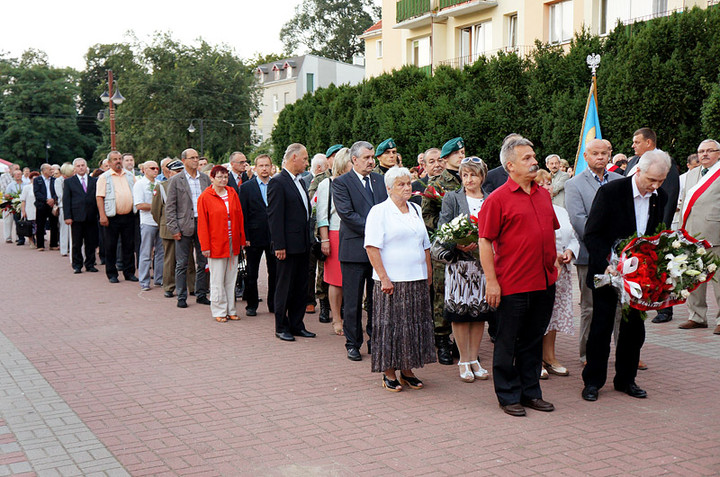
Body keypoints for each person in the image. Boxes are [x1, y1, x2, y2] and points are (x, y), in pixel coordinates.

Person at [478, 136, 558, 417]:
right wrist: (491, 282)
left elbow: (550, 231)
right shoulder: (497, 199)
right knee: (508, 341)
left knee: (533, 340)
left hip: (544, 281)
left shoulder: (543, 194)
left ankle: (530, 392)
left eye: (534, 156)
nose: (534, 161)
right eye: (527, 158)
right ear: (510, 165)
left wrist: (555, 261)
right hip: (512, 283)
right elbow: (485, 241)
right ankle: (508, 395)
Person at [581, 150, 669, 402]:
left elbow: (655, 235)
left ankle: (626, 380)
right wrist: (607, 262)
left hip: (639, 277)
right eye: (652, 180)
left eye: (660, 181)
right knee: (601, 327)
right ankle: (593, 382)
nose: (655, 185)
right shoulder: (611, 192)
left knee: (634, 330)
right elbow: (592, 234)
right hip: (608, 272)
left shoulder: (658, 197)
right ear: (638, 171)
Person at [365, 166, 435, 392]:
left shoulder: (415, 209)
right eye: (401, 184)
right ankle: (388, 373)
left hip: (416, 278)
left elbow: (425, 244)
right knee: (391, 326)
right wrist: (384, 277)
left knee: (413, 325)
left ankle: (407, 370)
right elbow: (372, 247)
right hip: (392, 281)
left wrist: (429, 273)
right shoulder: (379, 211)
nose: (407, 188)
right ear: (388, 188)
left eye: (408, 183)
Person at [564, 139, 623, 365]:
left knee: (620, 305)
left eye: (604, 153)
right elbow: (579, 221)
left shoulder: (621, 181)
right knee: (590, 307)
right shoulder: (574, 184)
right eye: (594, 153)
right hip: (589, 256)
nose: (600, 157)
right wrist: (603, 247)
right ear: (586, 157)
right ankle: (588, 354)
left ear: (610, 155)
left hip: (619, 257)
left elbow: (625, 215)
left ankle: (624, 352)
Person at [436, 157, 492, 382]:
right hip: (459, 264)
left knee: (479, 313)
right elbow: (443, 228)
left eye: (473, 175)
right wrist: (456, 243)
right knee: (460, 314)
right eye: (465, 175)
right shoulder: (452, 197)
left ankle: (474, 358)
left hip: (482, 266)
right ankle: (463, 360)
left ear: (482, 176)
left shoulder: (490, 199)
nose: (468, 179)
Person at [333, 141, 388, 360]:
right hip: (354, 250)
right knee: (353, 300)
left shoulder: (380, 181)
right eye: (366, 157)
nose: (371, 161)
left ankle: (374, 340)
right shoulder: (342, 183)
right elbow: (347, 214)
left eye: (372, 157)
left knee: (376, 300)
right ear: (354, 160)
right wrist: (377, 229)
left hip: (379, 251)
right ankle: (352, 342)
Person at [625, 128, 679, 324]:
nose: (633, 146)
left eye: (637, 142)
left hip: (654, 228)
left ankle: (664, 309)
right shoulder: (632, 162)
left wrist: (661, 230)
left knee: (660, 269)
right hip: (632, 228)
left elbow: (669, 197)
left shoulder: (665, 163)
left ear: (649, 143)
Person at [267, 143, 316, 341]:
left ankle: (297, 324)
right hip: (286, 246)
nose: (307, 162)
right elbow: (274, 216)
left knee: (300, 287)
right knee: (285, 287)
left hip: (303, 244)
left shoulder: (301, 181)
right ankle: (281, 326)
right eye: (304, 158)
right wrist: (279, 245)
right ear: (293, 158)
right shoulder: (278, 182)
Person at [422, 137, 464, 365]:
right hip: (443, 249)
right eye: (458, 154)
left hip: (467, 249)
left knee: (462, 293)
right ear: (448, 158)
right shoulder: (436, 184)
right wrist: (446, 231)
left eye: (463, 153)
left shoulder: (469, 179)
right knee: (441, 295)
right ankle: (442, 341)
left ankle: (460, 342)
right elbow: (426, 215)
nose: (462, 157)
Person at [534, 169, 579, 379]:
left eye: (549, 183)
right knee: (537, 316)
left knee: (554, 316)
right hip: (538, 271)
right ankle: (534, 359)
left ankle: (549, 357)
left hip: (561, 274)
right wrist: (553, 254)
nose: (547, 187)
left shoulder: (560, 211)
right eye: (541, 184)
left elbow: (573, 236)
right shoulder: (531, 208)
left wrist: (570, 251)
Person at [676, 140, 720, 334]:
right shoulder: (692, 174)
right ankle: (697, 316)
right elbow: (685, 201)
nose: (704, 154)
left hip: (715, 232)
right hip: (691, 232)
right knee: (693, 277)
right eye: (701, 151)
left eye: (710, 151)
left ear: (718, 153)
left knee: (718, 280)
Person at [197, 165, 246, 322]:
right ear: (212, 178)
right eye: (219, 177)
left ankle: (231, 309)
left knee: (231, 278)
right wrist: (205, 247)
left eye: (225, 177)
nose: (223, 180)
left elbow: (239, 216)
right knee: (217, 279)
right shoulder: (205, 197)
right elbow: (203, 224)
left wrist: (242, 239)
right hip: (216, 243)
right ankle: (219, 310)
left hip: (233, 241)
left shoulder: (232, 193)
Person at [166, 148, 212, 308]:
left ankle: (201, 293)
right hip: (184, 225)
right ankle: (181, 296)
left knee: (203, 261)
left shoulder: (205, 179)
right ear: (183, 160)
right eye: (192, 158)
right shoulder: (176, 180)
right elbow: (170, 207)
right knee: (182, 263)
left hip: (203, 225)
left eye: (197, 157)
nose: (195, 160)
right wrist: (174, 229)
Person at [316, 147, 353, 335]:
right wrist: (325, 240)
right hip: (335, 234)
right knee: (335, 280)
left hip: (355, 234)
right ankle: (337, 318)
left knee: (353, 279)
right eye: (351, 162)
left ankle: (350, 317)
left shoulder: (356, 182)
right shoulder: (326, 184)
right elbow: (322, 216)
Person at [151, 160, 196, 298]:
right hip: (169, 228)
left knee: (188, 259)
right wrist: (165, 225)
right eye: (176, 171)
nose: (179, 174)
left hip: (185, 227)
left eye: (181, 171)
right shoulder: (162, 186)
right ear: (168, 172)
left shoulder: (188, 184)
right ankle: (169, 287)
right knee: (170, 259)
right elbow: (155, 210)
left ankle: (192, 286)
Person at [239, 154, 276, 317]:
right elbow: (243, 214)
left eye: (267, 165)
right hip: (253, 236)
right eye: (261, 166)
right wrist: (245, 236)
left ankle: (274, 304)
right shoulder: (247, 187)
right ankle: (252, 304)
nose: (264, 169)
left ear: (271, 167)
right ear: (255, 168)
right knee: (252, 272)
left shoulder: (277, 184)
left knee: (274, 272)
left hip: (274, 236)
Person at [96, 151, 138, 283]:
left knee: (129, 246)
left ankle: (129, 272)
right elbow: (99, 197)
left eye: (119, 159)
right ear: (109, 162)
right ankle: (112, 273)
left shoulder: (130, 176)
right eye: (115, 159)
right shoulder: (104, 177)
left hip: (129, 216)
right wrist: (102, 215)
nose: (118, 161)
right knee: (111, 246)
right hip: (112, 217)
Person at [63, 158, 99, 273]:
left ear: (86, 166)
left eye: (83, 165)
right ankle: (77, 265)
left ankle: (90, 264)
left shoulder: (94, 181)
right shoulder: (69, 182)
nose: (81, 167)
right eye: (78, 166)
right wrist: (67, 216)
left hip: (91, 216)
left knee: (90, 242)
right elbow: (66, 200)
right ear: (75, 168)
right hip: (76, 216)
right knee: (76, 243)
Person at [133, 160, 164, 291]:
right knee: (146, 252)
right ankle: (144, 281)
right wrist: (157, 207)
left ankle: (159, 278)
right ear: (144, 170)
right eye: (152, 168)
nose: (155, 170)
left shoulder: (160, 184)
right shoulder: (139, 184)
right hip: (147, 222)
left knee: (161, 252)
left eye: (157, 168)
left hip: (160, 222)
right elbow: (139, 205)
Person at [33, 163, 59, 252]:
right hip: (41, 205)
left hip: (52, 205)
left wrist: (53, 199)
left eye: (52, 169)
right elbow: (37, 192)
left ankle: (54, 244)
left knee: (54, 225)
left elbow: (58, 192)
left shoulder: (55, 180)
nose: (52, 171)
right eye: (50, 169)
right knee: (40, 225)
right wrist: (46, 200)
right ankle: (40, 245)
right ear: (44, 171)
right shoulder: (37, 180)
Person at [671, 153, 700, 230]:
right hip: (679, 217)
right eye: (695, 167)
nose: (697, 169)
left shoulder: (703, 178)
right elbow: (674, 198)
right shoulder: (681, 179)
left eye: (699, 167)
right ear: (688, 165)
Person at [55, 163, 74, 256]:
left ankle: (71, 247)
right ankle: (63, 249)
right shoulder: (59, 181)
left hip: (73, 206)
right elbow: (60, 194)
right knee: (64, 228)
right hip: (63, 206)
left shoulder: (72, 180)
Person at [4, 169, 26, 246]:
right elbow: (6, 195)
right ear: (13, 176)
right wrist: (11, 197)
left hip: (25, 205)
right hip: (16, 206)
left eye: (19, 174)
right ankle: (21, 238)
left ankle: (30, 236)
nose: (18, 176)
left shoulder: (25, 184)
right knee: (18, 222)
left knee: (28, 221)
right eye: (16, 174)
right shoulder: (11, 185)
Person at [19, 172, 40, 248]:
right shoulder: (27, 187)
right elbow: (23, 200)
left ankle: (39, 241)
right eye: (33, 179)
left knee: (38, 227)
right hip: (29, 209)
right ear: (30, 179)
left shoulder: (41, 187)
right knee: (30, 227)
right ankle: (31, 241)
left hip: (39, 210)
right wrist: (23, 211)